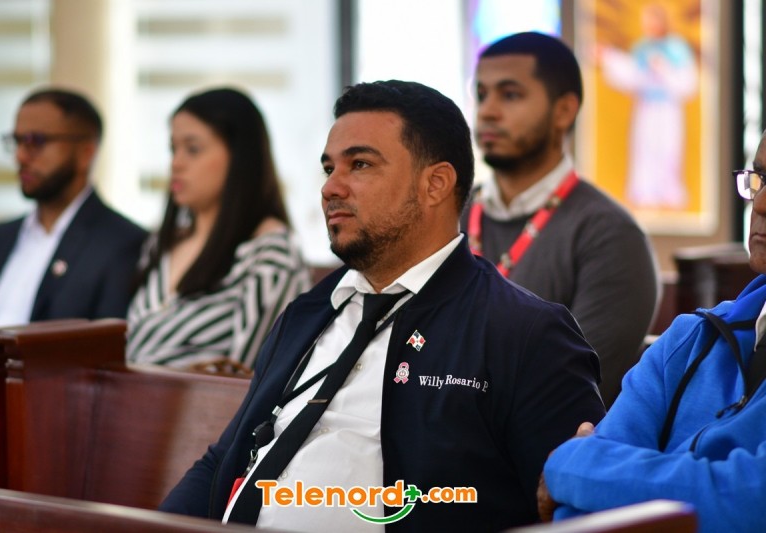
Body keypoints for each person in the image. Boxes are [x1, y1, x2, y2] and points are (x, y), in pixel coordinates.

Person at [159, 80, 605, 531]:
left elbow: (578, 507)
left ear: (435, 184)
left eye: (360, 164)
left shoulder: (524, 334)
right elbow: (225, 460)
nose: (331, 187)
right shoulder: (307, 313)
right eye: (329, 168)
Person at [537, 131, 766, 533]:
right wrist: (587, 477)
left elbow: (750, 501)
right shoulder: (690, 338)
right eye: (759, 178)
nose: (760, 203)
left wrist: (569, 463)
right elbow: (575, 512)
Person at [466, 31, 659, 406]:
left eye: (510, 95)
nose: (487, 111)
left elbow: (570, 392)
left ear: (564, 111)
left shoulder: (611, 236)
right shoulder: (445, 215)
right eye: (481, 94)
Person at [125, 88, 311, 371]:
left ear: (240, 157)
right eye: (173, 149)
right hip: (123, 396)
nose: (176, 163)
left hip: (204, 401)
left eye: (193, 149)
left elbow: (244, 377)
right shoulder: (162, 242)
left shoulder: (271, 253)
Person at [0, 87, 146, 329]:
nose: (20, 156)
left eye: (36, 141)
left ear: (86, 153)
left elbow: (105, 346)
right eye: (17, 141)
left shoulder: (122, 244)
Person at [595, 3, 698, 209]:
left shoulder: (676, 48)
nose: (648, 24)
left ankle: (668, 193)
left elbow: (688, 83)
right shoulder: (642, 48)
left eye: (652, 20)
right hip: (646, 108)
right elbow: (633, 76)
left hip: (667, 110)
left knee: (667, 150)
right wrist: (609, 57)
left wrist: (664, 70)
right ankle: (645, 194)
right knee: (645, 150)